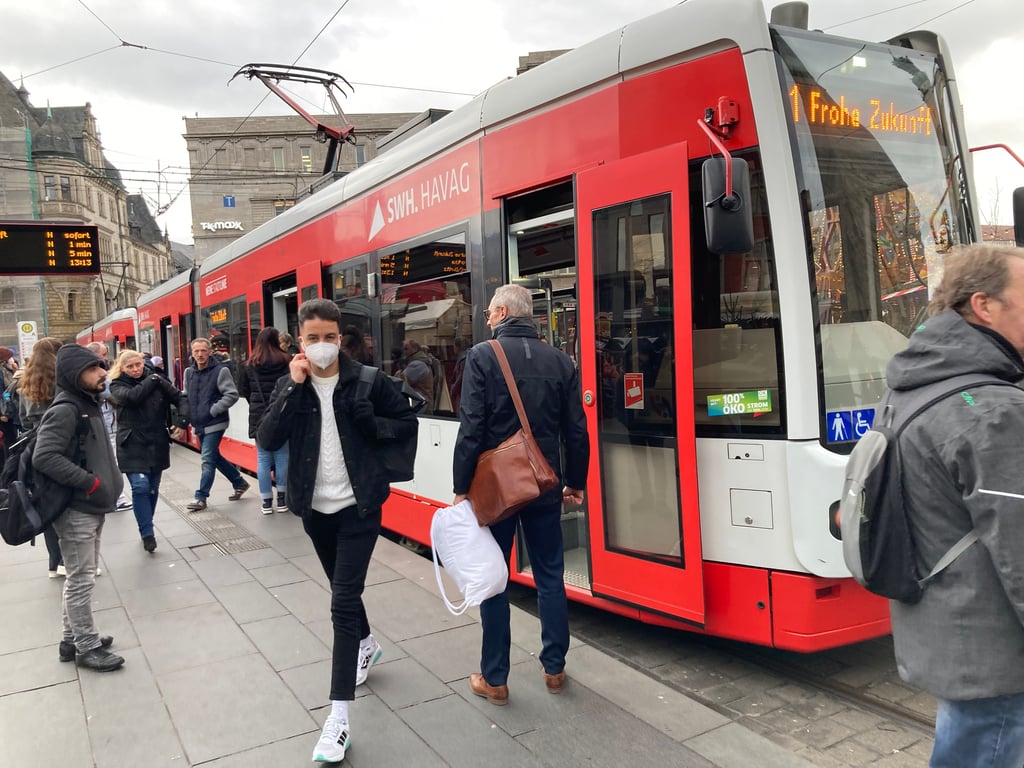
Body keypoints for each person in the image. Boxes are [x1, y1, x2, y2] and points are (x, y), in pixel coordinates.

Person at [257, 298, 417, 764]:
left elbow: (405, 423)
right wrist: (292, 386)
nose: (323, 345)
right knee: (341, 590)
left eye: (330, 337)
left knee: (342, 602)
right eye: (313, 338)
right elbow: (267, 438)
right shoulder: (292, 385)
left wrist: (372, 424)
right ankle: (367, 644)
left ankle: (338, 718)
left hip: (358, 508)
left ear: (340, 337)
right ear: (300, 341)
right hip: (314, 510)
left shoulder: (367, 380)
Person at [884, 244, 1024, 767]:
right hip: (997, 648)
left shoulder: (914, 382)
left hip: (951, 626)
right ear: (985, 306)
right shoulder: (990, 407)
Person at [452, 284, 589, 705]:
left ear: (502, 312)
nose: (488, 320)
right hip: (543, 486)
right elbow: (576, 429)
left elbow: (471, 427)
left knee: (495, 577)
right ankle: (554, 668)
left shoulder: (482, 356)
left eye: (489, 314)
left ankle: (495, 678)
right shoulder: (561, 360)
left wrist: (461, 488)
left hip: (496, 490)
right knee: (549, 575)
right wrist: (575, 481)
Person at [33, 344, 125, 672]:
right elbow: (44, 456)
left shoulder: (88, 403)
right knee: (81, 579)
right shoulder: (67, 408)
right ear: (75, 374)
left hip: (91, 505)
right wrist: (91, 483)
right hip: (77, 508)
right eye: (94, 368)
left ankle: (70, 640)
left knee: (79, 576)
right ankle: (86, 647)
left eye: (101, 366)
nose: (103, 373)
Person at [109, 350, 189, 552]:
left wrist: (182, 422)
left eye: (138, 365)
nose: (136, 369)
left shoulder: (157, 380)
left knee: (152, 488)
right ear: (122, 368)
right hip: (131, 443)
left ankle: (146, 521)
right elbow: (132, 397)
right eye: (130, 366)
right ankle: (147, 533)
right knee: (140, 487)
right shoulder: (117, 385)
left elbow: (180, 398)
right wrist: (153, 379)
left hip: (156, 440)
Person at [18, 337, 66, 578]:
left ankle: (53, 563)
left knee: (47, 504)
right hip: (61, 445)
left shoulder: (26, 384)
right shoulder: (61, 381)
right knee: (66, 504)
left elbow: (23, 420)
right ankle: (66, 561)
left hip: (35, 448)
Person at [184, 337, 249, 511]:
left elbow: (232, 394)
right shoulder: (188, 373)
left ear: (210, 352)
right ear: (192, 353)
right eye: (196, 351)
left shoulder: (221, 371)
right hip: (198, 423)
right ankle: (239, 482)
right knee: (214, 456)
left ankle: (201, 497)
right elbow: (186, 395)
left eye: (203, 351)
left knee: (207, 459)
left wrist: (213, 410)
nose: (200, 354)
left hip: (215, 422)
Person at [239, 328, 291, 514]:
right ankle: (282, 500)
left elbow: (243, 390)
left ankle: (267, 503)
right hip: (281, 413)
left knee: (263, 459)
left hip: (258, 415)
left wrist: (257, 404)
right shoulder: (287, 361)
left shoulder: (249, 365)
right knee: (283, 457)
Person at [85, 343, 133, 513]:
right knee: (112, 463)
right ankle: (117, 499)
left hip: (106, 424)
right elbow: (112, 394)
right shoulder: (98, 377)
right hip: (107, 425)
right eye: (104, 354)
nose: (106, 358)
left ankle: (113, 498)